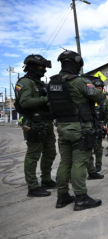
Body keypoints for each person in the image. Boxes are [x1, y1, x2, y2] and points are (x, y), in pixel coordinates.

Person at [48, 50, 104, 211]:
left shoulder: (52, 82)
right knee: (79, 162)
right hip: (80, 129)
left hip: (62, 128)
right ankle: (81, 198)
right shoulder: (79, 81)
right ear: (76, 63)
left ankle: (62, 196)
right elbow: (99, 97)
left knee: (65, 162)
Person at [14, 54, 57, 197]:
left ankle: (46, 180)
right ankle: (32, 187)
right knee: (33, 155)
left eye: (45, 67)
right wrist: (46, 99)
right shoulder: (25, 82)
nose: (44, 69)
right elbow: (25, 102)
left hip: (46, 122)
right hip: (34, 123)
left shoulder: (39, 83)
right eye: (41, 66)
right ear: (32, 66)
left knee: (50, 152)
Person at [85, 76, 108, 179]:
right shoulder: (88, 99)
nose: (98, 90)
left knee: (98, 147)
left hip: (100, 125)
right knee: (88, 147)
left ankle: (98, 165)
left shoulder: (105, 101)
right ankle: (90, 167)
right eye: (96, 88)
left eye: (100, 88)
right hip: (89, 125)